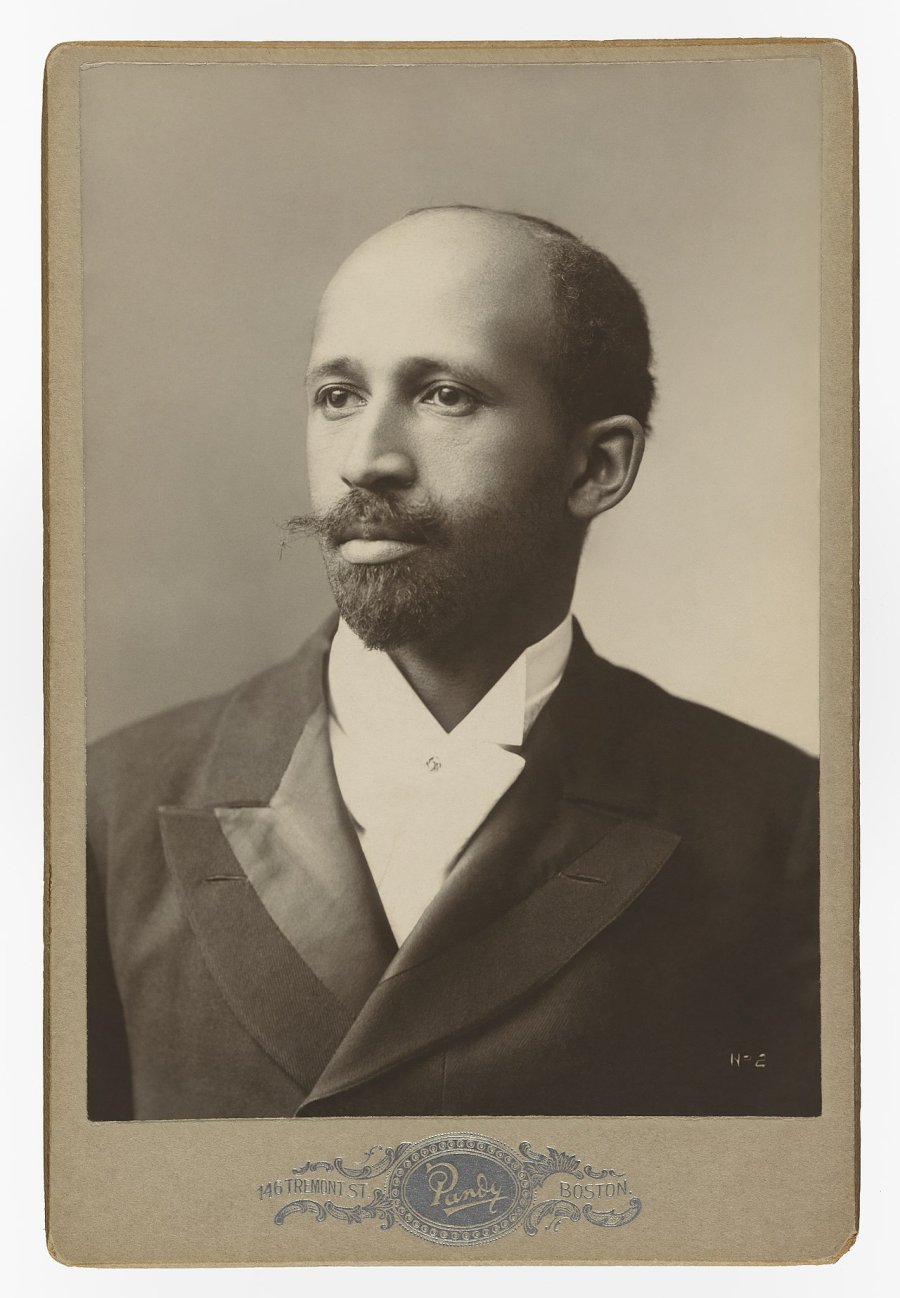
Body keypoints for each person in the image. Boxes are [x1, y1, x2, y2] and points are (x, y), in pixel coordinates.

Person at [86, 205, 820, 1121]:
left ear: (597, 467)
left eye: (444, 396)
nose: (365, 461)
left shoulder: (781, 825)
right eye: (338, 396)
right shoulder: (107, 805)